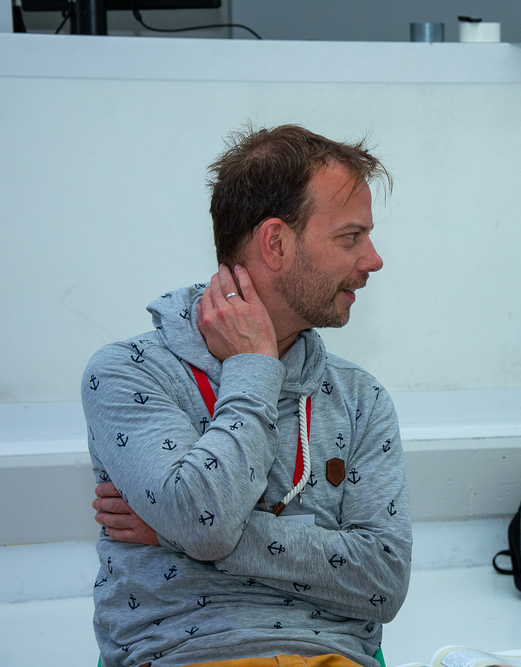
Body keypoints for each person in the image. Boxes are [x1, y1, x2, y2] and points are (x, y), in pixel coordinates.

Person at [83, 124, 411, 667]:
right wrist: (254, 368)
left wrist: (172, 532)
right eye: (351, 237)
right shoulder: (128, 373)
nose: (373, 259)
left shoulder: (360, 397)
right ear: (276, 243)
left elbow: (384, 582)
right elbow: (203, 523)